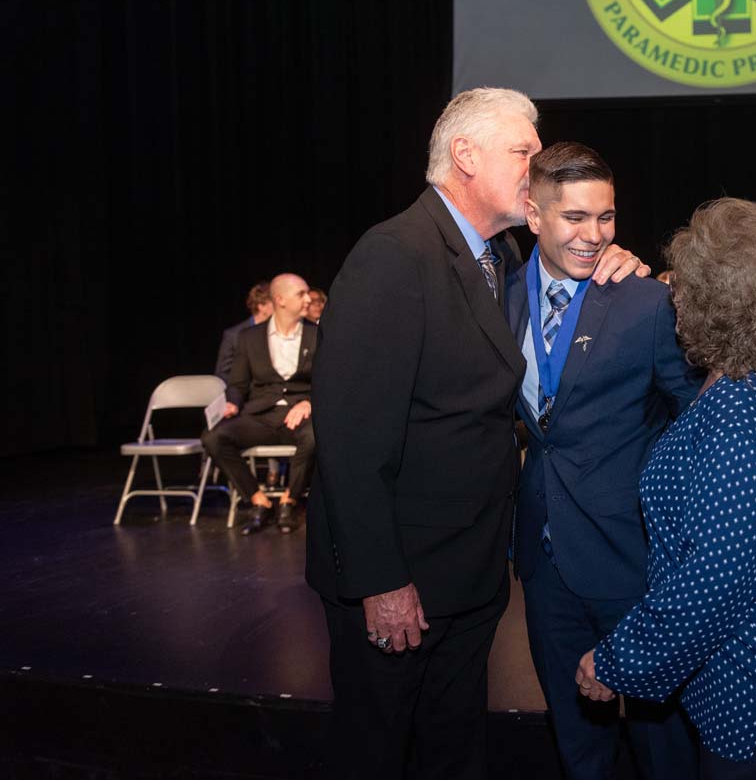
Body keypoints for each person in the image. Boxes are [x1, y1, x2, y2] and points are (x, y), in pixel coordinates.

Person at [305, 87, 647, 780]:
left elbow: (566, 278)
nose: (537, 163)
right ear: (465, 154)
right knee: (376, 755)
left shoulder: (501, 259)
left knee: (452, 753)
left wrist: (616, 263)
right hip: (400, 586)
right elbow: (350, 436)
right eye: (524, 150)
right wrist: (381, 581)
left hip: (465, 583)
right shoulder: (395, 254)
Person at [576, 198, 756, 779]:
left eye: (680, 284)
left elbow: (712, 579)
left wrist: (614, 663)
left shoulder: (744, 410)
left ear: (709, 301)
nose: (672, 294)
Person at [504, 142, 701, 780]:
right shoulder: (499, 299)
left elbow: (694, 412)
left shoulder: (644, 303)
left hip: (633, 556)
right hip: (543, 558)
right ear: (533, 215)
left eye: (606, 218)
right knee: (575, 738)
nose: (595, 235)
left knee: (660, 740)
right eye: (576, 218)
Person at [201, 273, 315, 536]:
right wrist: (231, 403)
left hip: (299, 414)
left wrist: (309, 402)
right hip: (262, 414)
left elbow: (330, 382)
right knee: (214, 437)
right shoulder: (249, 338)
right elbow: (238, 383)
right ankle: (257, 499)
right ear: (280, 300)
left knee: (316, 436)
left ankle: (289, 500)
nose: (308, 299)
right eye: (301, 294)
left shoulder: (317, 335)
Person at [214, 281, 273, 383]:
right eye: (274, 303)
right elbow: (222, 373)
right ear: (261, 306)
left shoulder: (277, 331)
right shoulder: (234, 335)